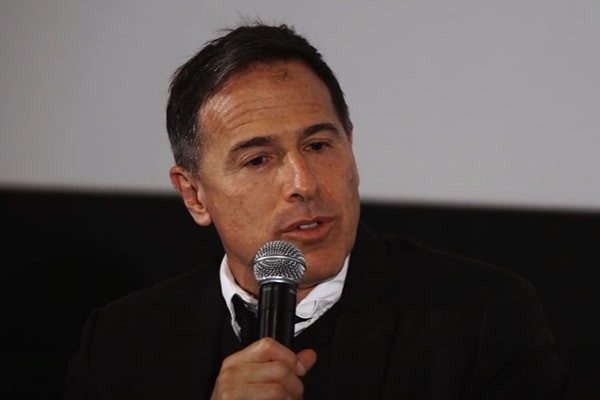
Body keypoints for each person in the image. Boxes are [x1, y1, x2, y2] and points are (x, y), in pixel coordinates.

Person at [64, 22, 569, 399]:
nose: (303, 184)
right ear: (194, 195)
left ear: (350, 146)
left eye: (319, 145)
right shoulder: (121, 342)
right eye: (258, 160)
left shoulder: (482, 317)